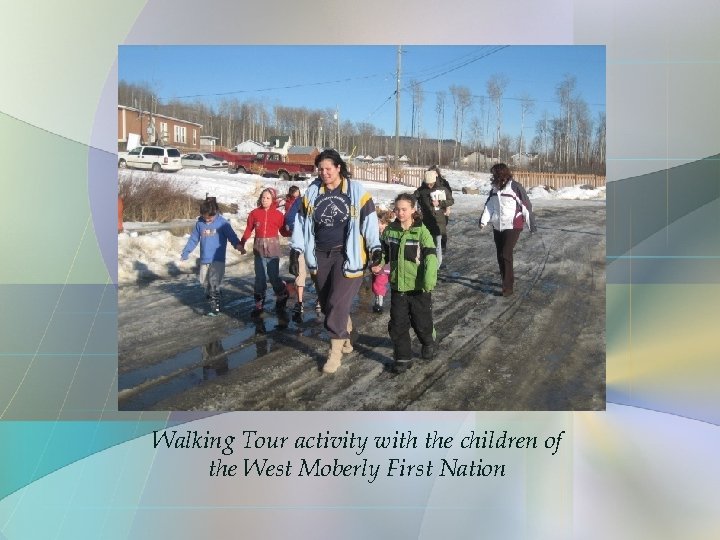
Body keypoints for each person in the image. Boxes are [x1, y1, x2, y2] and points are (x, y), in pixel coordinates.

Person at [290, 149, 382, 374]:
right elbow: (301, 224)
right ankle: (345, 334)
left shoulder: (356, 191)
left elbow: (369, 221)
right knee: (328, 301)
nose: (324, 173)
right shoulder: (312, 192)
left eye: (328, 169)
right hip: (319, 254)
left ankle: (334, 352)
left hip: (348, 255)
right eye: (320, 169)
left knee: (338, 302)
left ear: (338, 167)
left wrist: (375, 247)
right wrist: (296, 250)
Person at [380, 193, 438, 373]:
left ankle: (428, 341)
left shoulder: (421, 231)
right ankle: (403, 358)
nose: (400, 213)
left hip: (419, 287)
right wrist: (377, 262)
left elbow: (430, 258)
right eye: (397, 209)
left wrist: (428, 281)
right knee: (398, 323)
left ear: (413, 210)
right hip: (399, 286)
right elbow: (382, 252)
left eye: (404, 209)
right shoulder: (390, 231)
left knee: (422, 322)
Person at [479, 163, 537, 297]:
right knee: (500, 255)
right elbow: (489, 207)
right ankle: (506, 280)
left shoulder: (515, 187)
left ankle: (508, 287)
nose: (493, 176)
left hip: (513, 225)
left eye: (495, 174)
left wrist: (531, 225)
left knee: (506, 253)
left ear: (502, 174)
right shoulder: (494, 189)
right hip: (497, 225)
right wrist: (483, 221)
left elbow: (526, 206)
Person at [180, 199, 241, 315]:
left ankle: (215, 307)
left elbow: (232, 236)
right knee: (204, 281)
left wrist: (238, 245)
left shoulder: (222, 223)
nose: (207, 220)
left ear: (216, 212)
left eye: (210, 218)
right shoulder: (200, 224)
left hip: (217, 259)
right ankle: (214, 294)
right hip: (204, 259)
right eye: (205, 217)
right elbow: (193, 239)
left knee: (213, 282)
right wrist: (186, 252)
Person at [238, 187, 292, 317]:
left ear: (273, 200)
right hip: (259, 250)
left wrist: (292, 232)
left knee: (273, 276)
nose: (265, 200)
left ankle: (282, 293)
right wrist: (242, 243)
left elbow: (284, 232)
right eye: (263, 197)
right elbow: (248, 230)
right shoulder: (254, 213)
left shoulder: (279, 215)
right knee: (260, 278)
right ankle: (259, 304)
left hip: (273, 249)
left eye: (268, 198)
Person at [285, 190, 321, 320]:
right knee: (300, 273)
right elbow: (289, 217)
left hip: (316, 245)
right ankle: (300, 302)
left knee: (317, 273)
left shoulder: (323, 200)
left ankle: (319, 299)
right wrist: (295, 228)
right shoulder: (301, 201)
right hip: (300, 243)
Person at [414, 167, 454, 267]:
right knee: (426, 244)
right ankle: (426, 263)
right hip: (426, 221)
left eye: (431, 184)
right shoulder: (421, 190)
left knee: (437, 245)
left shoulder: (442, 189)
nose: (429, 186)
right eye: (428, 184)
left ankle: (436, 267)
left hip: (438, 221)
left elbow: (451, 200)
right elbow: (413, 197)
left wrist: (440, 203)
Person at [371, 209, 395, 313]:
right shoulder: (375, 235)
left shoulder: (389, 235)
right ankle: (378, 301)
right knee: (378, 282)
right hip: (378, 263)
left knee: (386, 282)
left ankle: (392, 301)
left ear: (387, 223)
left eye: (382, 223)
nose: (379, 226)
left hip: (387, 263)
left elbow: (387, 252)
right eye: (378, 223)